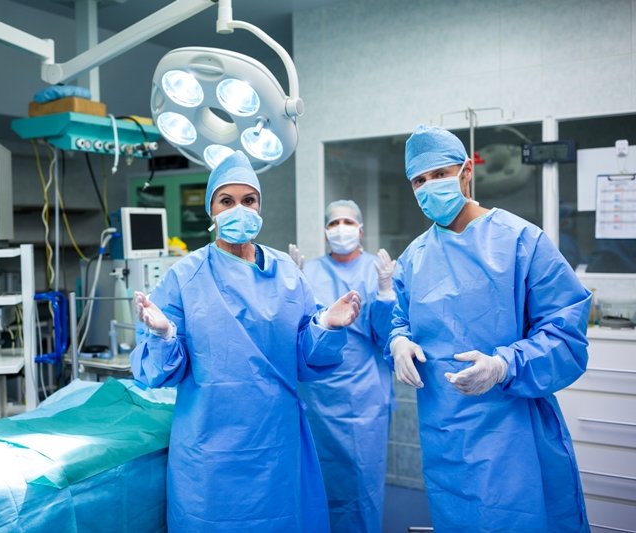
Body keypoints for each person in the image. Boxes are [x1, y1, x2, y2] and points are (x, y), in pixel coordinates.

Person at [130, 150, 362, 532]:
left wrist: (327, 326)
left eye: (248, 200)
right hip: (210, 446)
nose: (239, 209)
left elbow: (306, 360)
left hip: (276, 443)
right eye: (227, 201)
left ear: (259, 207)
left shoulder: (287, 274)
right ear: (212, 210)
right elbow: (157, 373)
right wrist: (164, 334)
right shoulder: (186, 275)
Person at [387, 124, 592, 532]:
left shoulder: (521, 241)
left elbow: (566, 337)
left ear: (466, 172)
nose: (429, 187)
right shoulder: (413, 258)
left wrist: (504, 366)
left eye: (439, 174)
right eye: (419, 180)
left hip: (513, 435)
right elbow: (401, 318)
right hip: (446, 435)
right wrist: (398, 341)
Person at [293, 200, 396, 532]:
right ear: (325, 231)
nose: (340, 228)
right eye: (333, 222)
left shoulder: (375, 271)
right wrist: (289, 288)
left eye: (347, 222)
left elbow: (386, 338)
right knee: (319, 477)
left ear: (361, 230)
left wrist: (384, 295)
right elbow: (297, 332)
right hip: (319, 396)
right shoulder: (311, 272)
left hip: (365, 395)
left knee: (361, 479)